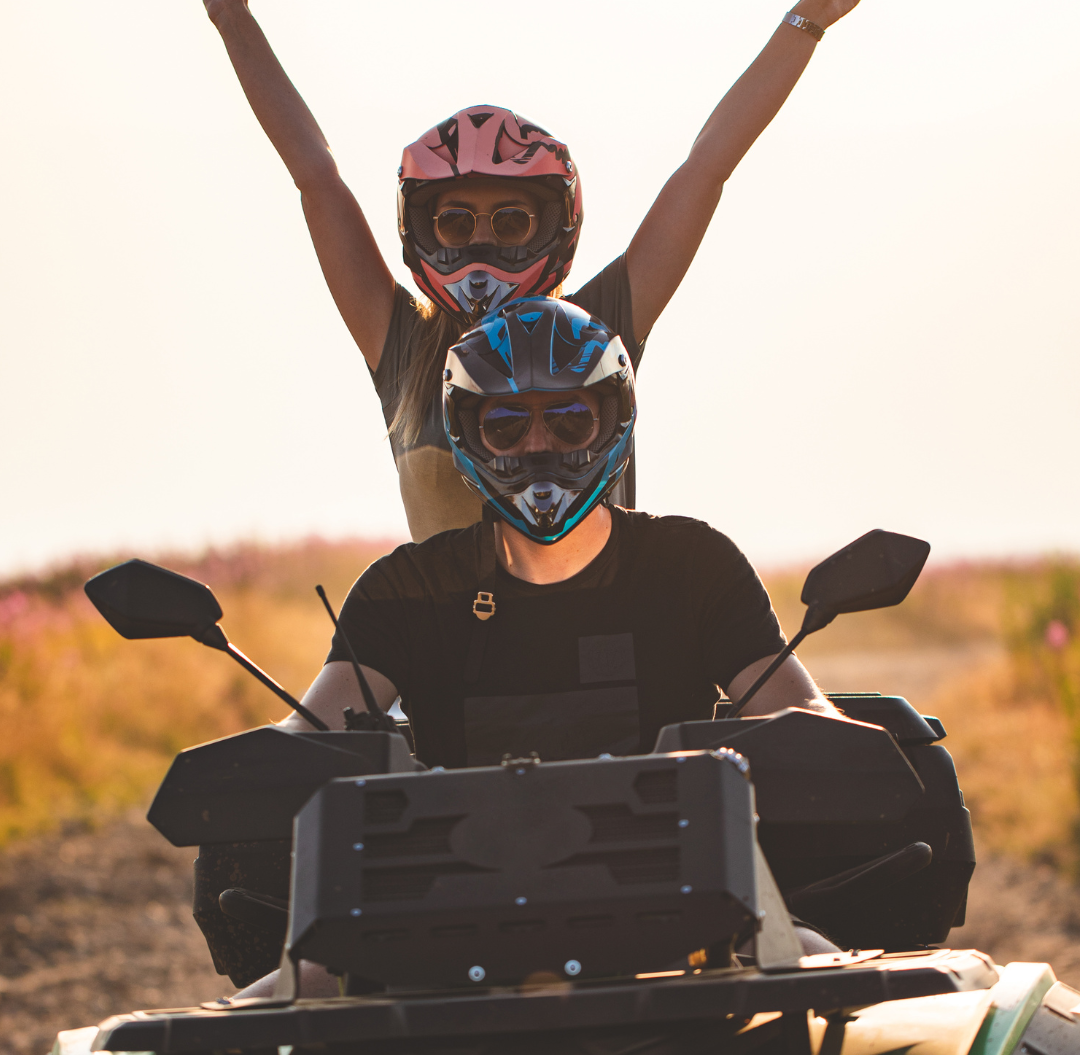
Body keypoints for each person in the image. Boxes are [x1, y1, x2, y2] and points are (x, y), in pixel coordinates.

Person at [230, 298, 836, 999]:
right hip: (439, 916)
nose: (538, 445)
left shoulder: (692, 565)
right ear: (468, 434)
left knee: (811, 959)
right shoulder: (408, 589)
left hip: (686, 905)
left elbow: (806, 716)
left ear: (614, 418)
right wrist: (248, 768)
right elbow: (307, 739)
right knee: (287, 991)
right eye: (507, 424)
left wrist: (812, 738)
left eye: (569, 418)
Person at [182, 0, 896, 541]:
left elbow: (705, 168)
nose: (483, 242)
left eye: (511, 219)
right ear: (420, 229)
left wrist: (808, 17)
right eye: (456, 222)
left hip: (616, 668)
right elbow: (315, 176)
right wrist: (232, 18)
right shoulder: (404, 347)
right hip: (452, 687)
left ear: (556, 224)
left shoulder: (598, 325)